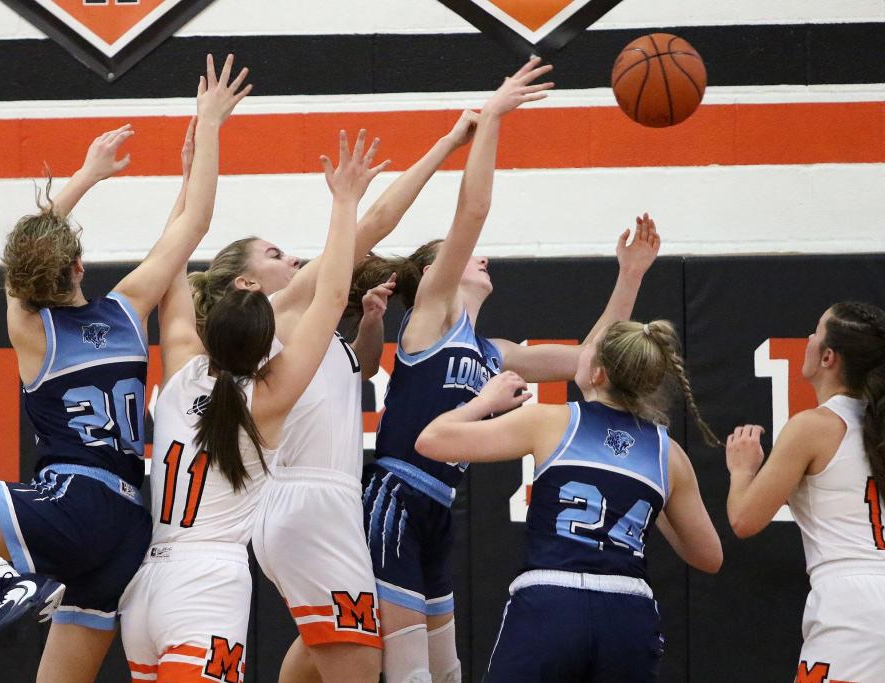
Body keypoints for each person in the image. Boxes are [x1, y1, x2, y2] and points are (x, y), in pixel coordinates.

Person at [0, 53, 249, 683]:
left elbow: (26, 259)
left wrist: (84, 176)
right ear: (79, 268)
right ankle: (13, 583)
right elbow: (193, 224)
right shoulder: (128, 309)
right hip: (130, 530)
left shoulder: (30, 329)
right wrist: (207, 128)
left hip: (75, 505)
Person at [357, 57, 662, 683]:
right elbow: (471, 215)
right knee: (409, 675)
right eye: (464, 258)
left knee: (447, 675)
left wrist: (628, 277)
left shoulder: (492, 349)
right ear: (433, 275)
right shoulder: (433, 317)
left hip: (441, 505)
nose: (481, 256)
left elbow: (590, 364)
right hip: (397, 494)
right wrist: (492, 117)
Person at [188, 109, 482, 683]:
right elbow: (373, 221)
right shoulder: (278, 313)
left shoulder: (302, 329)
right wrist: (445, 142)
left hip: (324, 502)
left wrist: (369, 325)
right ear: (246, 284)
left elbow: (359, 374)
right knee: (361, 660)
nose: (292, 259)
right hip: (309, 500)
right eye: (274, 256)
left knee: (336, 646)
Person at [119, 127, 383, 683]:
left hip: (146, 584)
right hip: (206, 587)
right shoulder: (264, 400)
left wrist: (190, 175)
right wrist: (344, 202)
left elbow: (173, 262)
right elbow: (333, 296)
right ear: (268, 345)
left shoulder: (180, 373)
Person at [416, 319, 723, 682]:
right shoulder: (667, 454)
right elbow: (708, 556)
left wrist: (485, 402)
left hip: (552, 600)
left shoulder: (554, 421)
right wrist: (646, 502)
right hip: (627, 611)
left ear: (597, 374)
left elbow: (431, 440)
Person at [726, 302, 885, 683]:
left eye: (816, 331)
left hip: (852, 606)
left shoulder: (813, 426)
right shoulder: (876, 427)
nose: (808, 339)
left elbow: (744, 519)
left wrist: (742, 470)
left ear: (828, 357)